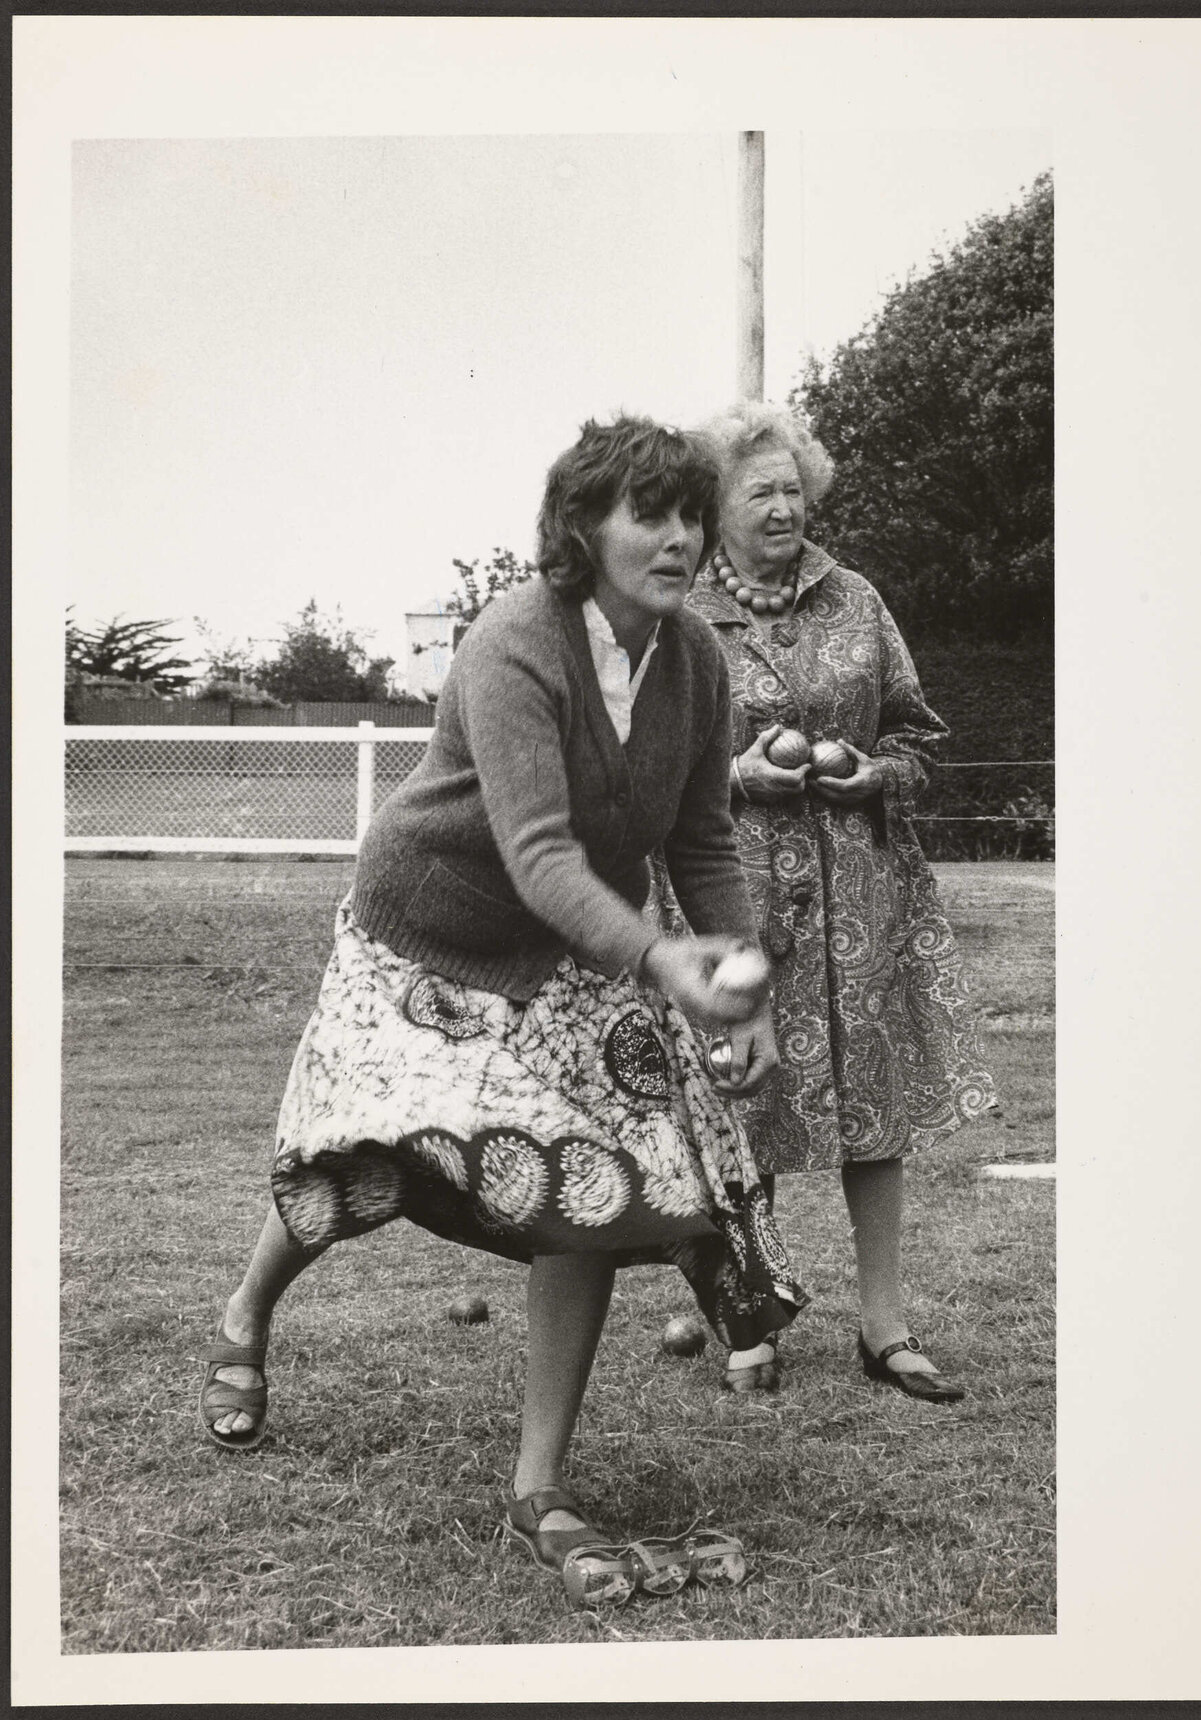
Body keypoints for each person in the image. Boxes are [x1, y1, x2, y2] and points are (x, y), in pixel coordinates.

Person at [198, 416, 808, 1608]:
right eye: (650, 514)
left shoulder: (695, 662)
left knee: (587, 1177)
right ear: (581, 531)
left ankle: (538, 1486)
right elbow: (536, 853)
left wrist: (737, 986)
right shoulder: (513, 642)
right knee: (355, 1167)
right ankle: (247, 1306)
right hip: (425, 931)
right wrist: (660, 961)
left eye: (690, 514)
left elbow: (698, 839)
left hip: (578, 944)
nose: (679, 536)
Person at [671, 400, 996, 1401]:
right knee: (741, 1098)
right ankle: (751, 1311)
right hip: (730, 884)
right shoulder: (680, 611)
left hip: (863, 889)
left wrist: (874, 770)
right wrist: (732, 774)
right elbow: (652, 763)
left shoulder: (854, 599)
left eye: (791, 490)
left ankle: (884, 1324)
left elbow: (918, 735)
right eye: (756, 491)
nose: (780, 508)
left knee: (874, 1110)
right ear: (715, 506)